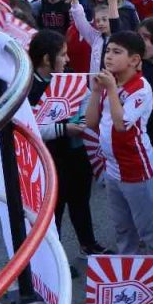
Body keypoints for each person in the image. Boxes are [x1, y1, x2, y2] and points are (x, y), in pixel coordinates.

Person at [83, 30, 153, 258]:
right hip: (112, 168)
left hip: (137, 169)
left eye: (117, 52)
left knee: (148, 231)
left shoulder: (141, 88)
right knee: (123, 229)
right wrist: (96, 91)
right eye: (108, 51)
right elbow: (90, 123)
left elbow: (121, 125)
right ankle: (128, 271)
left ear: (134, 60)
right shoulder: (109, 82)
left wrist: (110, 89)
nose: (108, 56)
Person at [27, 30, 106, 256]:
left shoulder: (68, 75)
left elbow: (85, 97)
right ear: (46, 58)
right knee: (55, 209)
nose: (68, 59)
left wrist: (81, 120)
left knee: (81, 200)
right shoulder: (29, 87)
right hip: (50, 158)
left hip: (77, 152)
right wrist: (64, 129)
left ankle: (88, 243)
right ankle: (56, 257)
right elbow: (30, 128)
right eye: (62, 54)